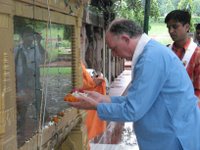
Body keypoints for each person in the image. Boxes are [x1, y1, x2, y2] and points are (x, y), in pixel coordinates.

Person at [67, 19, 200, 150]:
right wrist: (104, 99)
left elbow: (133, 110)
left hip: (175, 138)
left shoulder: (150, 59)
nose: (114, 54)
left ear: (125, 39)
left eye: (114, 48)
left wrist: (96, 106)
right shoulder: (150, 53)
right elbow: (139, 99)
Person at [14, 26, 46, 144]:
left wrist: (39, 43)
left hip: (34, 82)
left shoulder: (36, 49)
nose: (29, 38)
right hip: (21, 84)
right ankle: (21, 134)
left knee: (39, 105)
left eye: (31, 35)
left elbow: (44, 59)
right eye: (27, 35)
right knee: (22, 108)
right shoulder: (17, 50)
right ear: (22, 37)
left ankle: (44, 129)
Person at [165, 10, 200, 107]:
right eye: (168, 27)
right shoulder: (165, 51)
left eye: (175, 26)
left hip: (188, 112)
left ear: (187, 27)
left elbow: (198, 91)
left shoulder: (197, 54)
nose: (171, 31)